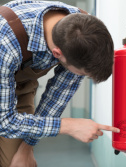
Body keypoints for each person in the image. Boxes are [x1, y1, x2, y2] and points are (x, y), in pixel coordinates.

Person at [0, 1, 119, 167]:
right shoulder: (5, 41)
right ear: (57, 53)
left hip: (19, 85)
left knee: (17, 163)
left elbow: (56, 98)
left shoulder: (83, 36)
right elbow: (5, 122)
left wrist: (26, 148)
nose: (81, 77)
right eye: (83, 74)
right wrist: (68, 126)